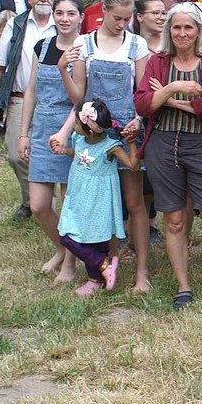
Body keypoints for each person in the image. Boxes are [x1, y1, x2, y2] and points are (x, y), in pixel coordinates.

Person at [135, 4, 202, 310]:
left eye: (188, 27)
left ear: (198, 31)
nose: (182, 33)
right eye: (176, 27)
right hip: (164, 146)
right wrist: (179, 87)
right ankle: (183, 288)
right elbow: (142, 106)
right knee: (176, 220)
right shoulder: (157, 61)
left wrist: (166, 97)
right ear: (169, 30)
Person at [59, 0, 151, 292]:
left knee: (134, 203)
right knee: (97, 201)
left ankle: (141, 273)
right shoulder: (85, 43)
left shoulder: (136, 45)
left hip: (126, 132)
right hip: (94, 134)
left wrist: (138, 122)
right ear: (103, 11)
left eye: (127, 19)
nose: (122, 24)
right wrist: (64, 70)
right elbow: (79, 96)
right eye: (117, 18)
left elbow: (142, 95)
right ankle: (100, 267)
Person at [18, 0, 84, 283]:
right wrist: (24, 133)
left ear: (80, 16)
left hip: (71, 130)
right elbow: (31, 91)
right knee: (39, 205)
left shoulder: (85, 49)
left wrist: (66, 131)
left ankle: (70, 264)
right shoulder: (43, 46)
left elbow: (80, 99)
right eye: (59, 13)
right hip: (43, 129)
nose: (64, 19)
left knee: (70, 204)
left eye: (71, 13)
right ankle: (61, 247)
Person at [0, 0, 59, 221]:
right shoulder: (15, 25)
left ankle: (51, 205)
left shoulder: (63, 22)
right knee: (17, 154)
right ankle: (32, 201)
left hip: (54, 100)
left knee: (57, 151)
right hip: (19, 97)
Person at [57, 100, 139, 297]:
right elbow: (81, 156)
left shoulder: (110, 147)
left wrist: (131, 143)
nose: (74, 127)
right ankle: (102, 267)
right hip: (79, 197)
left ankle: (98, 275)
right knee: (68, 235)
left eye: (77, 123)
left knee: (91, 241)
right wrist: (64, 150)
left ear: (91, 130)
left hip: (98, 201)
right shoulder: (79, 138)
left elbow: (132, 165)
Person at [133, 0, 167, 245]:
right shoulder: (132, 45)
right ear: (140, 16)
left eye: (163, 12)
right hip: (135, 116)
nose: (161, 16)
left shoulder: (170, 44)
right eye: (155, 12)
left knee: (157, 178)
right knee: (137, 180)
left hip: (163, 117)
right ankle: (135, 233)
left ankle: (153, 225)